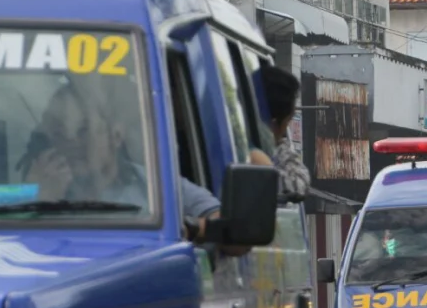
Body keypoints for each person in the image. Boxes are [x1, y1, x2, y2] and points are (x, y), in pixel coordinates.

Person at [20, 82, 242, 252]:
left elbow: (236, 235)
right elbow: (14, 253)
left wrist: (189, 227)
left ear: (115, 135)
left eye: (83, 131)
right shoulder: (36, 185)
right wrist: (40, 201)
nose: (70, 144)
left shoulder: (156, 185)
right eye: (59, 133)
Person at [247, 64, 310, 203]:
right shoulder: (251, 157)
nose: (283, 136)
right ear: (273, 124)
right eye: (287, 123)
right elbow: (298, 184)